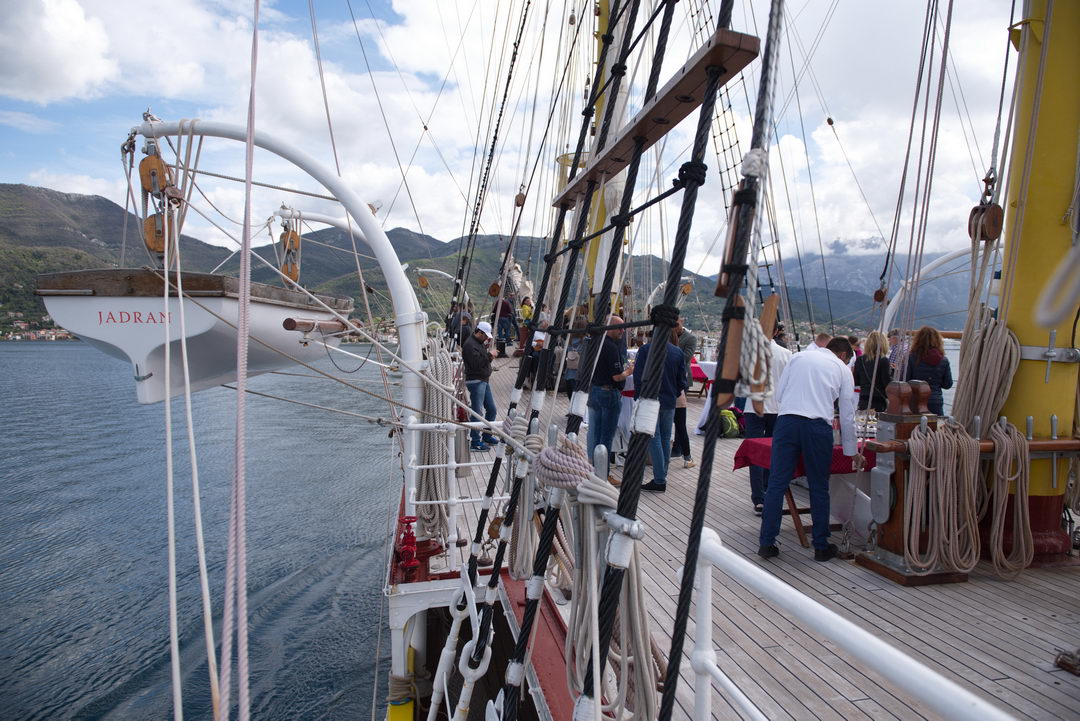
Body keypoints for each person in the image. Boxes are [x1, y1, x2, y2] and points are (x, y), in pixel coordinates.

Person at [758, 337, 861, 561]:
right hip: (817, 427)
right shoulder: (842, 370)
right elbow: (847, 414)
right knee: (818, 486)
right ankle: (821, 546)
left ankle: (766, 542)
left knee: (777, 483)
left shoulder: (798, 357)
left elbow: (780, 395)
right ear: (843, 355)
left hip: (787, 422)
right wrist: (851, 450)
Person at [633, 329, 689, 492]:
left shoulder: (645, 350)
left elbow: (638, 376)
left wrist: (639, 397)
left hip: (650, 399)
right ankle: (662, 475)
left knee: (654, 437)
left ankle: (659, 479)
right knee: (665, 437)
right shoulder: (677, 352)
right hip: (669, 399)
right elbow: (682, 380)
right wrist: (674, 392)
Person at [745, 328, 793, 515]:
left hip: (754, 406)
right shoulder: (786, 354)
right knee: (775, 452)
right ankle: (770, 490)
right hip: (778, 408)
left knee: (755, 453)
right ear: (776, 331)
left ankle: (758, 498)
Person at [587, 316, 634, 473]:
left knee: (595, 433)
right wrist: (629, 371)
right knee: (606, 436)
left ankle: (594, 469)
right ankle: (603, 473)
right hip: (608, 394)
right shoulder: (611, 347)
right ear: (610, 327)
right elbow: (617, 377)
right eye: (619, 328)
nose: (622, 331)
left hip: (594, 391)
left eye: (623, 328)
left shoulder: (595, 343)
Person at [462, 321, 499, 451]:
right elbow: (476, 364)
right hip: (476, 381)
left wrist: (489, 357)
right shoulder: (469, 345)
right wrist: (490, 355)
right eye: (486, 336)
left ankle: (487, 436)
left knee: (492, 410)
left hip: (483, 380)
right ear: (480, 332)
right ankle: (475, 442)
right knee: (477, 412)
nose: (487, 338)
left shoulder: (478, 343)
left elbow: (481, 360)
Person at [906, 325, 953, 416]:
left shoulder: (911, 358)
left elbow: (906, 380)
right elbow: (947, 384)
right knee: (936, 424)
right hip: (936, 401)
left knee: (915, 425)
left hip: (916, 400)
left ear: (917, 340)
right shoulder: (944, 360)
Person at [670, 319, 698, 468]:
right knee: (676, 418)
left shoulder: (690, 338)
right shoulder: (669, 336)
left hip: (681, 380)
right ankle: (679, 449)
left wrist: (673, 350)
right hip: (673, 380)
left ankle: (678, 448)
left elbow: (687, 357)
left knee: (679, 418)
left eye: (677, 325)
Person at [853, 330, 892, 412]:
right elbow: (886, 383)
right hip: (879, 400)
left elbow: (856, 381)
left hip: (864, 399)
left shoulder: (860, 359)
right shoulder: (883, 360)